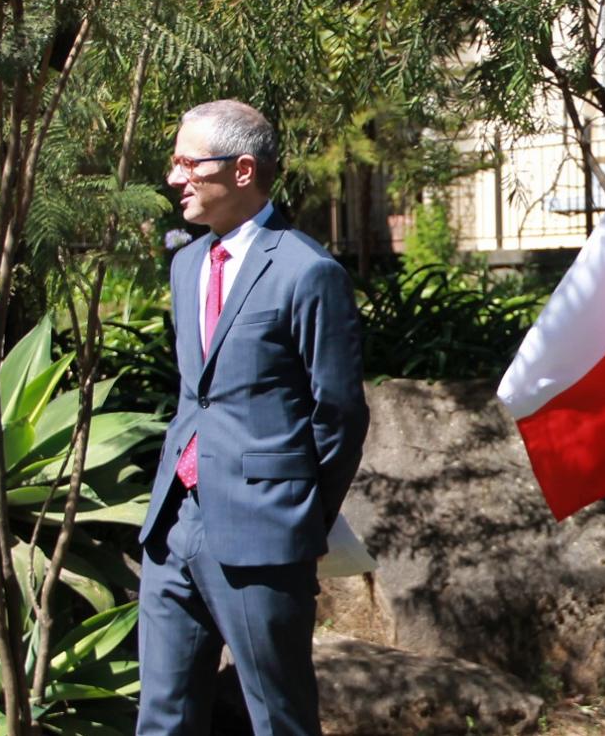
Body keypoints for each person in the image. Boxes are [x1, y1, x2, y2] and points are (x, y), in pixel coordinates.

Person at [136, 100, 368, 735]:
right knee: (162, 717)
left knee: (279, 719)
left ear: (242, 170)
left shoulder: (307, 272)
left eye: (188, 162)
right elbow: (198, 394)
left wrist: (296, 521)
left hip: (262, 535)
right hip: (173, 526)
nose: (175, 176)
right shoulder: (186, 265)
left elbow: (340, 415)